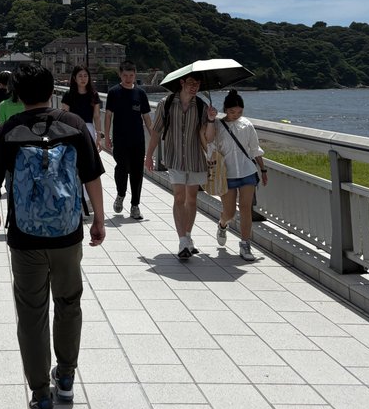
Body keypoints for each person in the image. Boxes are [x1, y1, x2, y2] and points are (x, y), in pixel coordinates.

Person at [0, 63, 105, 409]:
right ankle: (65, 377)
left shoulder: (11, 128)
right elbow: (91, 174)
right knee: (69, 302)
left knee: (32, 313)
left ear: (17, 94)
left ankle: (41, 397)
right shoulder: (74, 124)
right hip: (67, 235)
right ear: (53, 90)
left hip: (25, 237)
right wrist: (97, 217)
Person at [145, 73, 217, 258]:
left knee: (191, 199)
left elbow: (208, 138)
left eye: (198, 84)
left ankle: (188, 235)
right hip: (174, 156)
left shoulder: (201, 106)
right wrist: (148, 155)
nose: (194, 87)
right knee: (179, 197)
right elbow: (156, 131)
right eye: (191, 83)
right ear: (182, 83)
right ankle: (182, 241)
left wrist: (210, 120)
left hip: (195, 158)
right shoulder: (166, 103)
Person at [208, 90, 267, 261]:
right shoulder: (218, 125)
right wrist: (210, 120)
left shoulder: (247, 125)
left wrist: (263, 170)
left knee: (246, 208)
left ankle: (245, 244)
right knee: (230, 212)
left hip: (247, 171)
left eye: (239, 112)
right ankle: (222, 224)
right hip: (226, 173)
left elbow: (255, 149)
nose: (236, 115)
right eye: (232, 111)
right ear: (225, 109)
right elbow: (209, 141)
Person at [103, 61, 153, 220]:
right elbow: (108, 115)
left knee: (138, 172)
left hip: (138, 139)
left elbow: (146, 118)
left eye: (131, 75)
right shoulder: (114, 92)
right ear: (120, 74)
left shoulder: (141, 94)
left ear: (135, 75)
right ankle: (120, 194)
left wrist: (154, 137)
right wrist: (106, 136)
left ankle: (135, 205)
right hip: (120, 138)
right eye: (125, 75)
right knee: (122, 168)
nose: (128, 78)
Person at [61, 65, 103, 144]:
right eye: (80, 76)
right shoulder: (68, 95)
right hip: (72, 129)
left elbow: (96, 116)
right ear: (74, 78)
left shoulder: (93, 94)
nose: (83, 79)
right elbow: (64, 115)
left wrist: (99, 136)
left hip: (89, 129)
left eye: (85, 76)